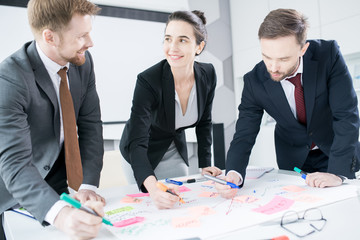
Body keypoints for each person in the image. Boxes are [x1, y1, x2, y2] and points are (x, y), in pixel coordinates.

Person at [216, 8, 360, 199]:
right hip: (293, 159)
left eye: (283, 59)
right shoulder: (254, 81)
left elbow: (346, 115)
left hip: (335, 151)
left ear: (303, 49)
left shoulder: (328, 55)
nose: (273, 67)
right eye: (267, 57)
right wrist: (233, 173)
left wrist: (338, 172)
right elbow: (244, 134)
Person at [0, 0, 105, 239]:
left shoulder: (83, 63)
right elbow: (15, 164)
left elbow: (90, 126)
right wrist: (61, 215)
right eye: (81, 36)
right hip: (12, 190)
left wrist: (87, 186)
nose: (90, 43)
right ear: (50, 37)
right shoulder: (9, 78)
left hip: (57, 178)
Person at [120, 10, 222, 209]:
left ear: (199, 47)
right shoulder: (148, 80)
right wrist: (152, 188)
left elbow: (204, 121)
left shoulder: (208, 73)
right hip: (139, 151)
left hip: (173, 147)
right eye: (168, 39)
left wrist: (205, 164)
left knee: (180, 203)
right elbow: (137, 141)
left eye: (183, 40)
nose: (172, 48)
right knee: (150, 204)